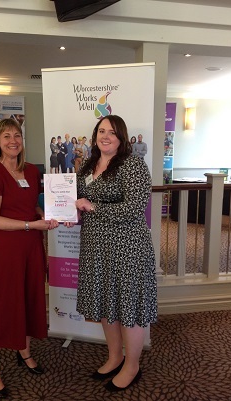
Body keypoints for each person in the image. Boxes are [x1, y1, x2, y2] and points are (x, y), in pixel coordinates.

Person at [66, 115, 157, 392]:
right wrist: (71, 212)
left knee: (128, 305)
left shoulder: (133, 165)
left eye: (112, 132)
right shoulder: (87, 166)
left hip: (127, 246)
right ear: (95, 135)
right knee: (107, 303)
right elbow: (79, 201)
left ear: (122, 137)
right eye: (101, 131)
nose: (105, 136)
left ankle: (132, 366)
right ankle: (115, 356)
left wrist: (93, 207)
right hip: (95, 246)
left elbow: (133, 208)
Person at [0, 118, 59, 399]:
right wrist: (29, 225)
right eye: (6, 136)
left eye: (17, 136)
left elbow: (33, 206)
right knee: (2, 305)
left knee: (28, 298)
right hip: (6, 250)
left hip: (32, 247)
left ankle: (24, 351)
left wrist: (43, 218)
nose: (13, 140)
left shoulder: (32, 171)